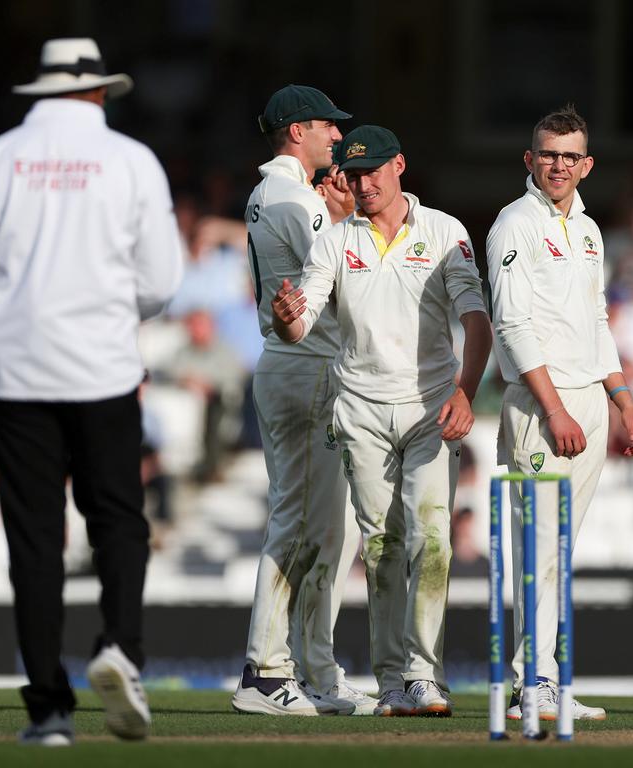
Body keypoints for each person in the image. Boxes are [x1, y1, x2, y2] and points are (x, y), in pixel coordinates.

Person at [0, 38, 183, 745]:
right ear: (98, 93)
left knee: (34, 543)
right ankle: (121, 646)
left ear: (43, 91)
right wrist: (114, 311)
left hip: (17, 373)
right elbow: (161, 283)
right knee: (117, 519)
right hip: (104, 370)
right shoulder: (132, 161)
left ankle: (50, 711)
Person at [271, 125, 492, 717]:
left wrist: (466, 392)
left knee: (434, 539)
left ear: (400, 166)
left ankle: (425, 673)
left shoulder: (445, 231)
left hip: (431, 408)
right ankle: (392, 679)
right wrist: (288, 318)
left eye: (373, 171)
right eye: (353, 172)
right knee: (382, 545)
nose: (363, 183)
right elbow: (304, 316)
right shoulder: (336, 240)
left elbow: (475, 319)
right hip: (362, 410)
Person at [486, 104, 633, 722]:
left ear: (586, 165)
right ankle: (535, 684)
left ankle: (550, 678)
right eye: (547, 154)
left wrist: (622, 398)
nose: (558, 165)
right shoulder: (514, 225)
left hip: (588, 400)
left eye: (569, 155)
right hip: (540, 403)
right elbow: (513, 325)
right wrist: (554, 409)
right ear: (530, 160)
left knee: (560, 547)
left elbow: (596, 320)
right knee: (540, 549)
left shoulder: (587, 229)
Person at [231, 85, 374, 717]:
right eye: (326, 127)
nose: (337, 138)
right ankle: (265, 673)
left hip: (299, 367)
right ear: (296, 132)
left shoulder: (275, 194)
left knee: (329, 532)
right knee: (300, 522)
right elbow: (348, 277)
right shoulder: (294, 197)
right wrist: (346, 222)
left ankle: (315, 670)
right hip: (307, 366)